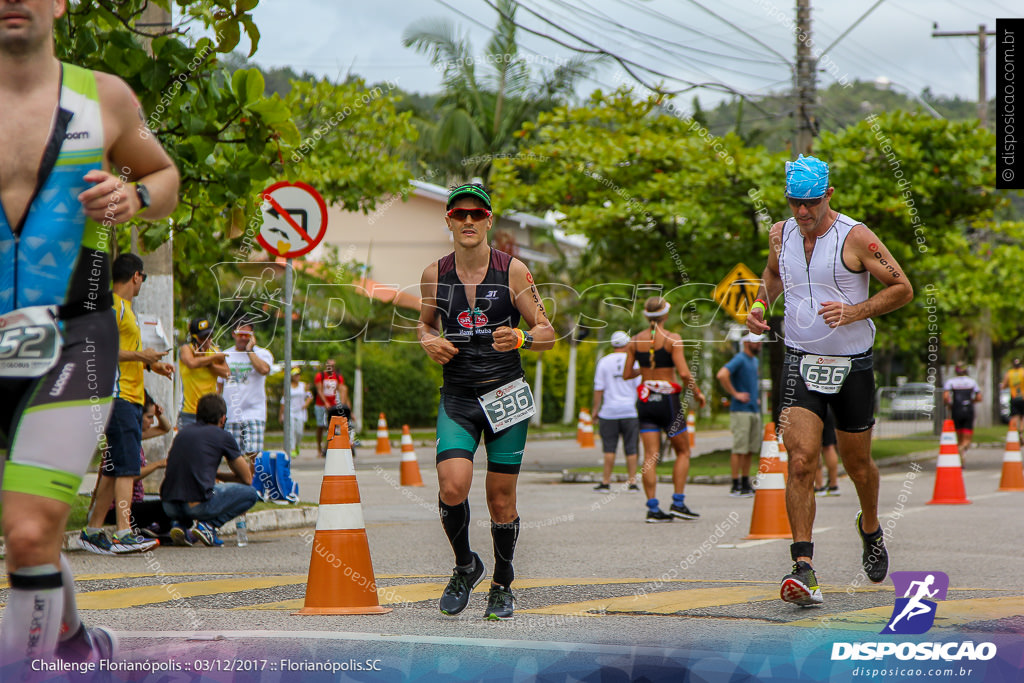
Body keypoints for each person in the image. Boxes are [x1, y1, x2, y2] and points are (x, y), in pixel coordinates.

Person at [0, 0, 179, 665]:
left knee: (26, 530)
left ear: (60, 3)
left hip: (75, 336)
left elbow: (164, 174)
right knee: (32, 542)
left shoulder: (102, 96)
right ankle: (73, 639)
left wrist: (137, 197)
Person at [746, 155, 913, 606]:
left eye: (812, 203)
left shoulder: (855, 236)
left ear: (829, 195)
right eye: (795, 202)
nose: (803, 212)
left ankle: (871, 527)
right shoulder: (779, 233)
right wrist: (761, 305)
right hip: (800, 359)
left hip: (852, 364)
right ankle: (804, 567)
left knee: (859, 467)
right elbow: (772, 275)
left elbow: (902, 288)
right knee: (801, 460)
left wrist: (853, 311)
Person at [417, 183, 554, 620]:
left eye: (477, 214)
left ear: (490, 220)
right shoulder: (433, 274)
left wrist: (522, 336)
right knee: (451, 487)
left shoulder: (513, 271)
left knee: (500, 499)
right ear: (449, 221)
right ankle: (465, 566)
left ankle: (502, 583)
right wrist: (427, 341)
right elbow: (423, 325)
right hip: (458, 395)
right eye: (460, 215)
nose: (469, 222)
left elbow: (549, 332)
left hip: (505, 394)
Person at [80, 254, 174, 556]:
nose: (142, 283)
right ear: (136, 276)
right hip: (118, 395)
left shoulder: (127, 310)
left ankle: (93, 531)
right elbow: (100, 350)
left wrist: (151, 365)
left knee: (114, 468)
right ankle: (123, 532)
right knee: (127, 467)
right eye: (143, 277)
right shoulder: (112, 306)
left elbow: (127, 352)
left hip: (131, 395)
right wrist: (141, 356)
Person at [623, 296, 707, 523]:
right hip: (669, 402)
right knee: (683, 452)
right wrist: (698, 393)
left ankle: (652, 508)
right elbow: (685, 374)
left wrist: (647, 371)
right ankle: (678, 503)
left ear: (645, 316)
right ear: (666, 315)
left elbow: (627, 374)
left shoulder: (634, 341)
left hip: (646, 400)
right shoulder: (673, 339)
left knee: (650, 456)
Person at [160, 394, 260, 547]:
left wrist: (214, 474)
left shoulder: (183, 433)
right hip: (197, 506)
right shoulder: (223, 436)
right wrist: (219, 475)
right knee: (251, 494)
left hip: (169, 506)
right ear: (223, 418)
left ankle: (179, 525)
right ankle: (209, 525)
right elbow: (246, 478)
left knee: (194, 488)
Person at [99, 393, 173, 538]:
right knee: (165, 508)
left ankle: (153, 530)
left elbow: (165, 428)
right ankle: (154, 531)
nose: (152, 422)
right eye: (149, 417)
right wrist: (157, 465)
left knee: (166, 505)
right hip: (117, 508)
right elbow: (128, 475)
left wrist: (159, 415)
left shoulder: (136, 435)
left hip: (136, 502)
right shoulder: (124, 439)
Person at [592, 331, 641, 492]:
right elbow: (639, 387)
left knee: (609, 448)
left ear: (613, 345)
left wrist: (595, 410)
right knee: (632, 448)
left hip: (608, 412)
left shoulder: (604, 362)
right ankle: (632, 482)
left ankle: (606, 482)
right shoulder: (634, 363)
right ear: (627, 344)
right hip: (629, 411)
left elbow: (599, 389)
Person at [716, 332, 763, 497]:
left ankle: (745, 482)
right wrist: (735, 394)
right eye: (756, 342)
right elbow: (722, 374)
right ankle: (735, 484)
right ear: (745, 342)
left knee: (750, 448)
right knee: (739, 448)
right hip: (741, 411)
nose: (759, 345)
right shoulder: (740, 358)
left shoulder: (754, 361)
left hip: (753, 410)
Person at [222, 322, 273, 457]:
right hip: (231, 413)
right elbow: (219, 385)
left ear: (252, 336)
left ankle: (252, 478)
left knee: (253, 454)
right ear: (234, 334)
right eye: (241, 334)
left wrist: (250, 351)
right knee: (233, 456)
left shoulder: (262, 353)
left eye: (247, 335)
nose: (244, 338)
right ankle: (243, 479)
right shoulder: (225, 355)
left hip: (254, 412)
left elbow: (264, 370)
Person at [178, 316, 229, 427]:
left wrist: (210, 365)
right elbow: (191, 363)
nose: (208, 341)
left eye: (210, 337)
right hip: (190, 411)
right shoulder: (187, 349)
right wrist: (212, 359)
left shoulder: (215, 351)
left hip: (211, 412)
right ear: (194, 338)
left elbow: (227, 373)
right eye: (203, 337)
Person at [944, 365, 981, 459]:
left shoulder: (951, 382)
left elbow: (945, 397)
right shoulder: (972, 382)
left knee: (958, 435)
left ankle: (960, 452)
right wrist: (973, 401)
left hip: (956, 410)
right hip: (968, 410)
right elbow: (979, 397)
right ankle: (963, 448)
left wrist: (948, 405)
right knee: (967, 437)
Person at [314, 359, 347, 456]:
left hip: (334, 405)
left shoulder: (337, 377)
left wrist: (342, 404)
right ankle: (319, 448)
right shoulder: (320, 376)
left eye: (333, 366)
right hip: (321, 404)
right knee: (320, 426)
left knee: (332, 426)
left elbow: (342, 390)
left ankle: (327, 446)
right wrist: (325, 402)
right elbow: (319, 390)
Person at [280, 367, 312, 457]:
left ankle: (297, 444)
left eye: (298, 375)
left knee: (299, 431)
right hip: (290, 411)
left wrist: (306, 404)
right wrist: (281, 414)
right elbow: (283, 400)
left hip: (300, 411)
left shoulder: (303, 385)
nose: (297, 377)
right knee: (291, 429)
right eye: (295, 375)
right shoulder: (288, 386)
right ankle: (292, 448)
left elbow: (310, 395)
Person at [813, 409, 840, 496]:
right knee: (829, 446)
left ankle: (819, 486)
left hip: (812, 409)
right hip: (828, 409)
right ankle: (833, 485)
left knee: (814, 447)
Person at [1000, 358, 1024, 436]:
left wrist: (1009, 385)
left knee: (1015, 416)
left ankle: (1015, 431)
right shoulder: (1023, 372)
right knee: (1022, 417)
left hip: (1014, 397)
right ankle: (1021, 431)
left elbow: (1003, 386)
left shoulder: (1009, 373)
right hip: (1023, 397)